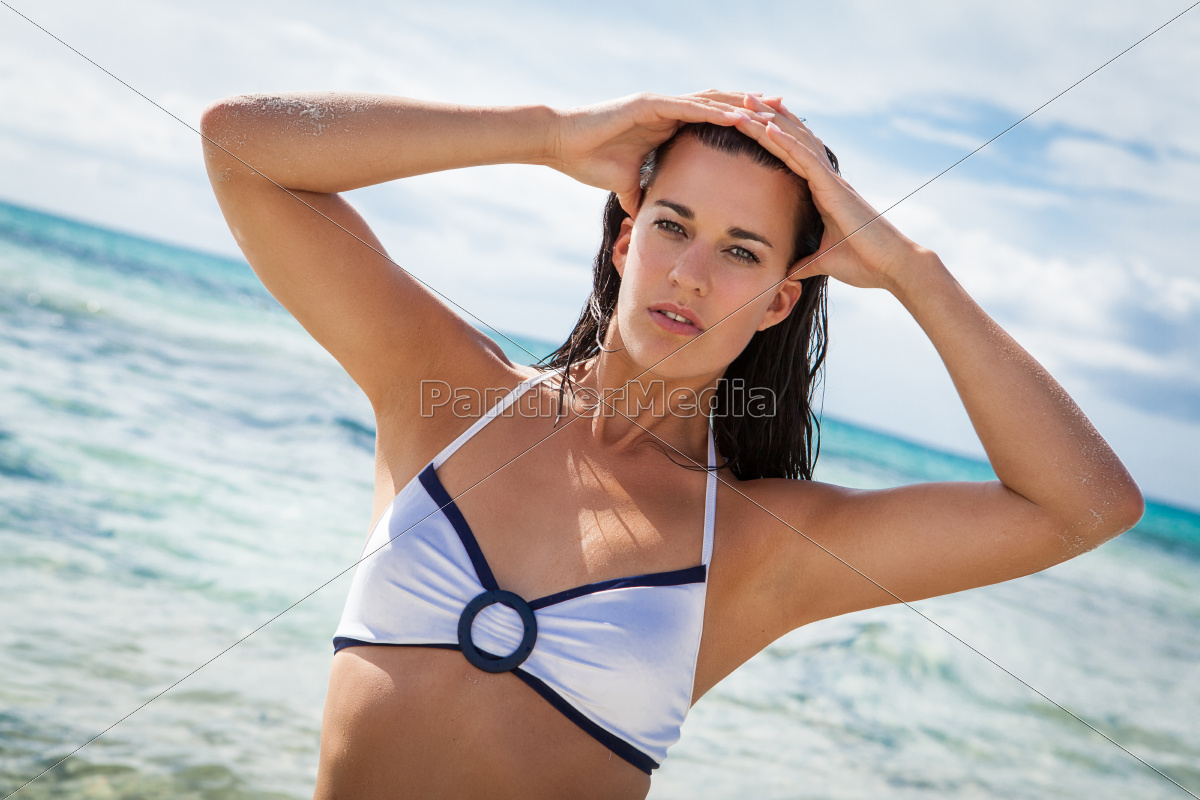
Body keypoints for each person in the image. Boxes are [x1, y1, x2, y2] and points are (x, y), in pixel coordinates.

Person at [199, 90, 1144, 800]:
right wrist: (546, 134)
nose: (690, 273)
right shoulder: (448, 398)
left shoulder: (757, 547)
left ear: (783, 296)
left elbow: (1085, 505)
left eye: (741, 250)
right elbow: (238, 147)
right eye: (673, 225)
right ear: (624, 241)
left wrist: (911, 271)